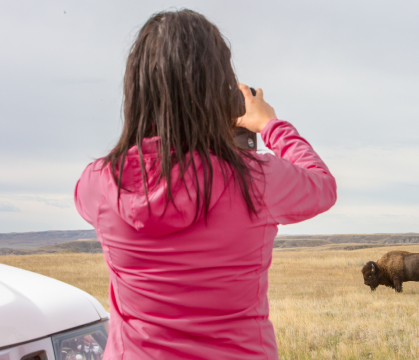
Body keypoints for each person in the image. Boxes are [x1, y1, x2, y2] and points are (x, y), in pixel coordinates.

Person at [74, 9, 336, 360]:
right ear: (220, 92)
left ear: (136, 91)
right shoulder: (255, 179)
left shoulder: (99, 183)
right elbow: (322, 186)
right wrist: (269, 124)